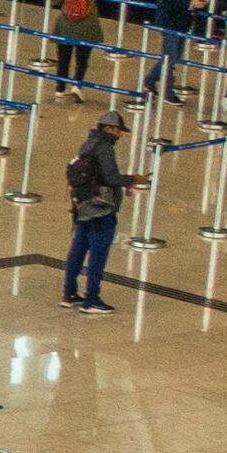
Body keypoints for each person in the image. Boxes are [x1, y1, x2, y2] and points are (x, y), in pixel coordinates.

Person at [61, 114, 137, 310]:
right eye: (118, 130)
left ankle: (69, 293)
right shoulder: (105, 148)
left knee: (78, 249)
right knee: (98, 253)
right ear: (109, 129)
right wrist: (133, 179)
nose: (120, 135)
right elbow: (111, 177)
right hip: (101, 209)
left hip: (82, 205)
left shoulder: (87, 144)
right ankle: (91, 300)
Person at [145, 0, 210, 103]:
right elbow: (165, 1)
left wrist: (199, 1)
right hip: (169, 21)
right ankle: (167, 91)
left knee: (173, 56)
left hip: (182, 21)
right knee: (171, 57)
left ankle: (150, 81)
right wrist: (189, 4)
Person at [50, 0, 107, 90]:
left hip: (65, 24)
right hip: (87, 25)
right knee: (82, 60)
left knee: (63, 59)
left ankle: (60, 89)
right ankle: (77, 86)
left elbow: (55, 0)